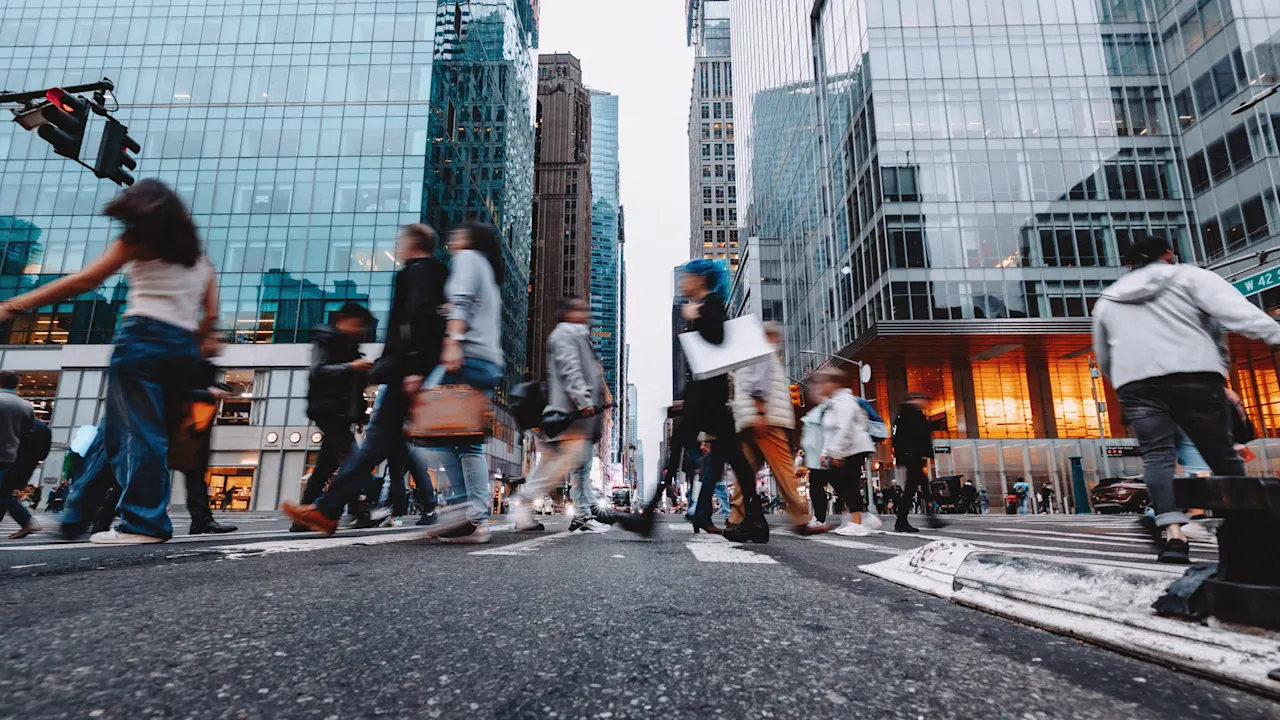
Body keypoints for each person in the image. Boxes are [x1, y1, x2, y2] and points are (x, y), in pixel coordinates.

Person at [4, 180, 218, 544]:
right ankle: (76, 516)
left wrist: (14, 305)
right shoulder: (201, 261)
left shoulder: (138, 241)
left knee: (140, 434)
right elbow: (210, 320)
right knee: (113, 435)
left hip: (143, 339)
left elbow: (86, 280)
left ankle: (144, 524)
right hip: (183, 349)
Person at [1093, 235, 1280, 563]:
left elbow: (1104, 354)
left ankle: (1174, 536)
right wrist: (1274, 335)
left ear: (1128, 264)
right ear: (1168, 255)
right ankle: (1249, 530)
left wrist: (1123, 383)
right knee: (1221, 454)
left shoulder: (1108, 300)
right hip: (1194, 376)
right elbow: (1235, 313)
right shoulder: (1190, 276)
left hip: (1137, 385)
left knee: (1157, 457)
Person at [284, 223, 449, 537]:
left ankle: (330, 510)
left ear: (413, 243)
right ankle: (329, 510)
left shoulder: (417, 272)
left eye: (401, 241)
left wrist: (412, 368)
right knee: (379, 448)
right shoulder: (433, 272)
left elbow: (417, 319)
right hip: (409, 370)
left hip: (406, 371)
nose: (398, 247)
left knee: (382, 447)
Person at [617, 260, 770, 543]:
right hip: (704, 397)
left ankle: (649, 517)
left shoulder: (710, 304)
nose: (683, 282)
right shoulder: (706, 304)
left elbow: (717, 338)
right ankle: (755, 520)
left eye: (687, 277)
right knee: (719, 457)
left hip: (709, 399)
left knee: (703, 456)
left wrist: (695, 314)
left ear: (701, 279)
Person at [513, 296, 612, 534]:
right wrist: (583, 402)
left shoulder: (578, 335)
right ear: (568, 313)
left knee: (568, 467)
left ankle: (581, 516)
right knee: (558, 468)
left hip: (577, 419)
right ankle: (524, 501)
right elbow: (570, 370)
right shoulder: (565, 334)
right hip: (570, 417)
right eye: (580, 309)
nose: (586, 313)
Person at [730, 323, 827, 536]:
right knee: (784, 471)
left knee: (745, 474)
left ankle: (735, 518)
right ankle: (802, 519)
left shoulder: (745, 357)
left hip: (748, 421)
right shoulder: (763, 351)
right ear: (769, 336)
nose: (779, 341)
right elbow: (758, 384)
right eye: (776, 337)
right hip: (767, 420)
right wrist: (761, 413)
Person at [292, 302, 375, 531]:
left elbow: (353, 385)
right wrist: (352, 367)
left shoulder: (350, 346)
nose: (360, 331)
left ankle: (303, 517)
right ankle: (347, 512)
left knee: (325, 467)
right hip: (329, 409)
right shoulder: (326, 339)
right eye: (358, 325)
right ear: (343, 320)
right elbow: (318, 370)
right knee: (354, 462)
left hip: (341, 412)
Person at [891, 391, 942, 533]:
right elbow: (917, 435)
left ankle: (930, 518)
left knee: (920, 487)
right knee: (912, 489)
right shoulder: (911, 415)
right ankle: (903, 520)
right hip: (912, 455)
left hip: (911, 455)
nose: (925, 402)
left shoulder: (904, 415)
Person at [0, 371, 38, 539]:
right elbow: (28, 434)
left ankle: (27, 520)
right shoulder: (26, 406)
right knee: (4, 492)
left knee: (4, 494)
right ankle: (26, 521)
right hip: (10, 455)